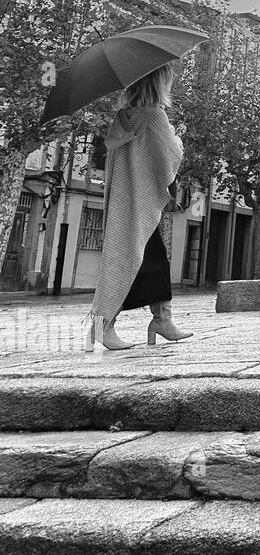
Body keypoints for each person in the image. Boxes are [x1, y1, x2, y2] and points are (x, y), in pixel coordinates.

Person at [84, 62, 193, 350]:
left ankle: (161, 320)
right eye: (167, 79)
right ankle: (103, 326)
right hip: (143, 202)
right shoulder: (155, 117)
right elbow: (171, 156)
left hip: (125, 201)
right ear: (159, 83)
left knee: (144, 259)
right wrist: (177, 138)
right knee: (137, 260)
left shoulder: (124, 117)